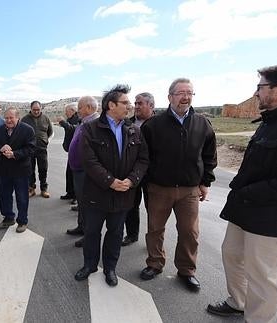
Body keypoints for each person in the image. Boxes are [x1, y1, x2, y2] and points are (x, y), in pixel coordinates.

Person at [207, 59, 277, 322]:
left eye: (260, 87)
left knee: (262, 275)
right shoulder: (271, 121)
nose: (256, 92)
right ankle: (239, 302)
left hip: (271, 217)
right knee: (232, 255)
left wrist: (249, 193)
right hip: (245, 211)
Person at [140, 78, 217, 292]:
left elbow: (209, 155)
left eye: (190, 93)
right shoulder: (153, 125)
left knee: (189, 232)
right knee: (155, 229)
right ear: (170, 97)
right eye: (181, 93)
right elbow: (143, 157)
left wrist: (205, 182)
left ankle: (186, 271)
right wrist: (146, 183)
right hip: (159, 188)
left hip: (189, 190)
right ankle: (154, 264)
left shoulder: (203, 123)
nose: (185, 97)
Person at [74, 84, 149, 287]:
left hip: (123, 195)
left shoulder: (134, 130)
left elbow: (143, 160)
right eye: (125, 103)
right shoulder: (90, 129)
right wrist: (110, 182)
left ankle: (110, 268)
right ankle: (89, 265)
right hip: (96, 194)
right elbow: (89, 161)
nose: (130, 106)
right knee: (91, 233)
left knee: (115, 234)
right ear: (111, 105)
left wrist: (131, 180)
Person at [0, 107, 36, 233]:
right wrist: (1, 148)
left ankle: (22, 221)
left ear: (18, 117)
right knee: (4, 195)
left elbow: (31, 149)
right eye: (6, 118)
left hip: (21, 170)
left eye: (11, 117)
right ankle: (8, 218)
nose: (8, 120)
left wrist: (15, 154)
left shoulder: (27, 130)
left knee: (22, 197)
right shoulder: (0, 130)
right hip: (4, 169)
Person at [65, 96, 100, 249]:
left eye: (80, 107)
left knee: (88, 205)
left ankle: (89, 235)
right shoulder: (84, 122)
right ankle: (81, 227)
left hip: (86, 172)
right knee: (81, 202)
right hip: (78, 170)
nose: (77, 111)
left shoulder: (95, 123)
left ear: (89, 107)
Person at [122, 92, 156, 247]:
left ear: (151, 106)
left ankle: (153, 241)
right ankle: (131, 234)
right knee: (131, 206)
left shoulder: (160, 124)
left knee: (154, 210)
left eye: (140, 103)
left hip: (153, 176)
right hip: (132, 174)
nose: (136, 107)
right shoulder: (127, 123)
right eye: (135, 103)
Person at [21, 100, 53, 198]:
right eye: (34, 109)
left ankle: (44, 189)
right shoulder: (25, 119)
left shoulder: (46, 118)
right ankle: (31, 189)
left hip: (42, 149)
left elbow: (50, 132)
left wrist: (46, 141)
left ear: (41, 108)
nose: (36, 111)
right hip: (29, 150)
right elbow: (21, 134)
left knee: (43, 169)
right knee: (30, 170)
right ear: (30, 109)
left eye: (38, 109)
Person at [56, 102, 80, 202]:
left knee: (75, 174)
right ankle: (70, 193)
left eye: (67, 112)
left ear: (73, 111)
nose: (66, 114)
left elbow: (73, 129)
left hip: (77, 151)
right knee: (69, 173)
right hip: (71, 150)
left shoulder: (78, 119)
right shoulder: (70, 119)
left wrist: (62, 122)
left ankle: (76, 196)